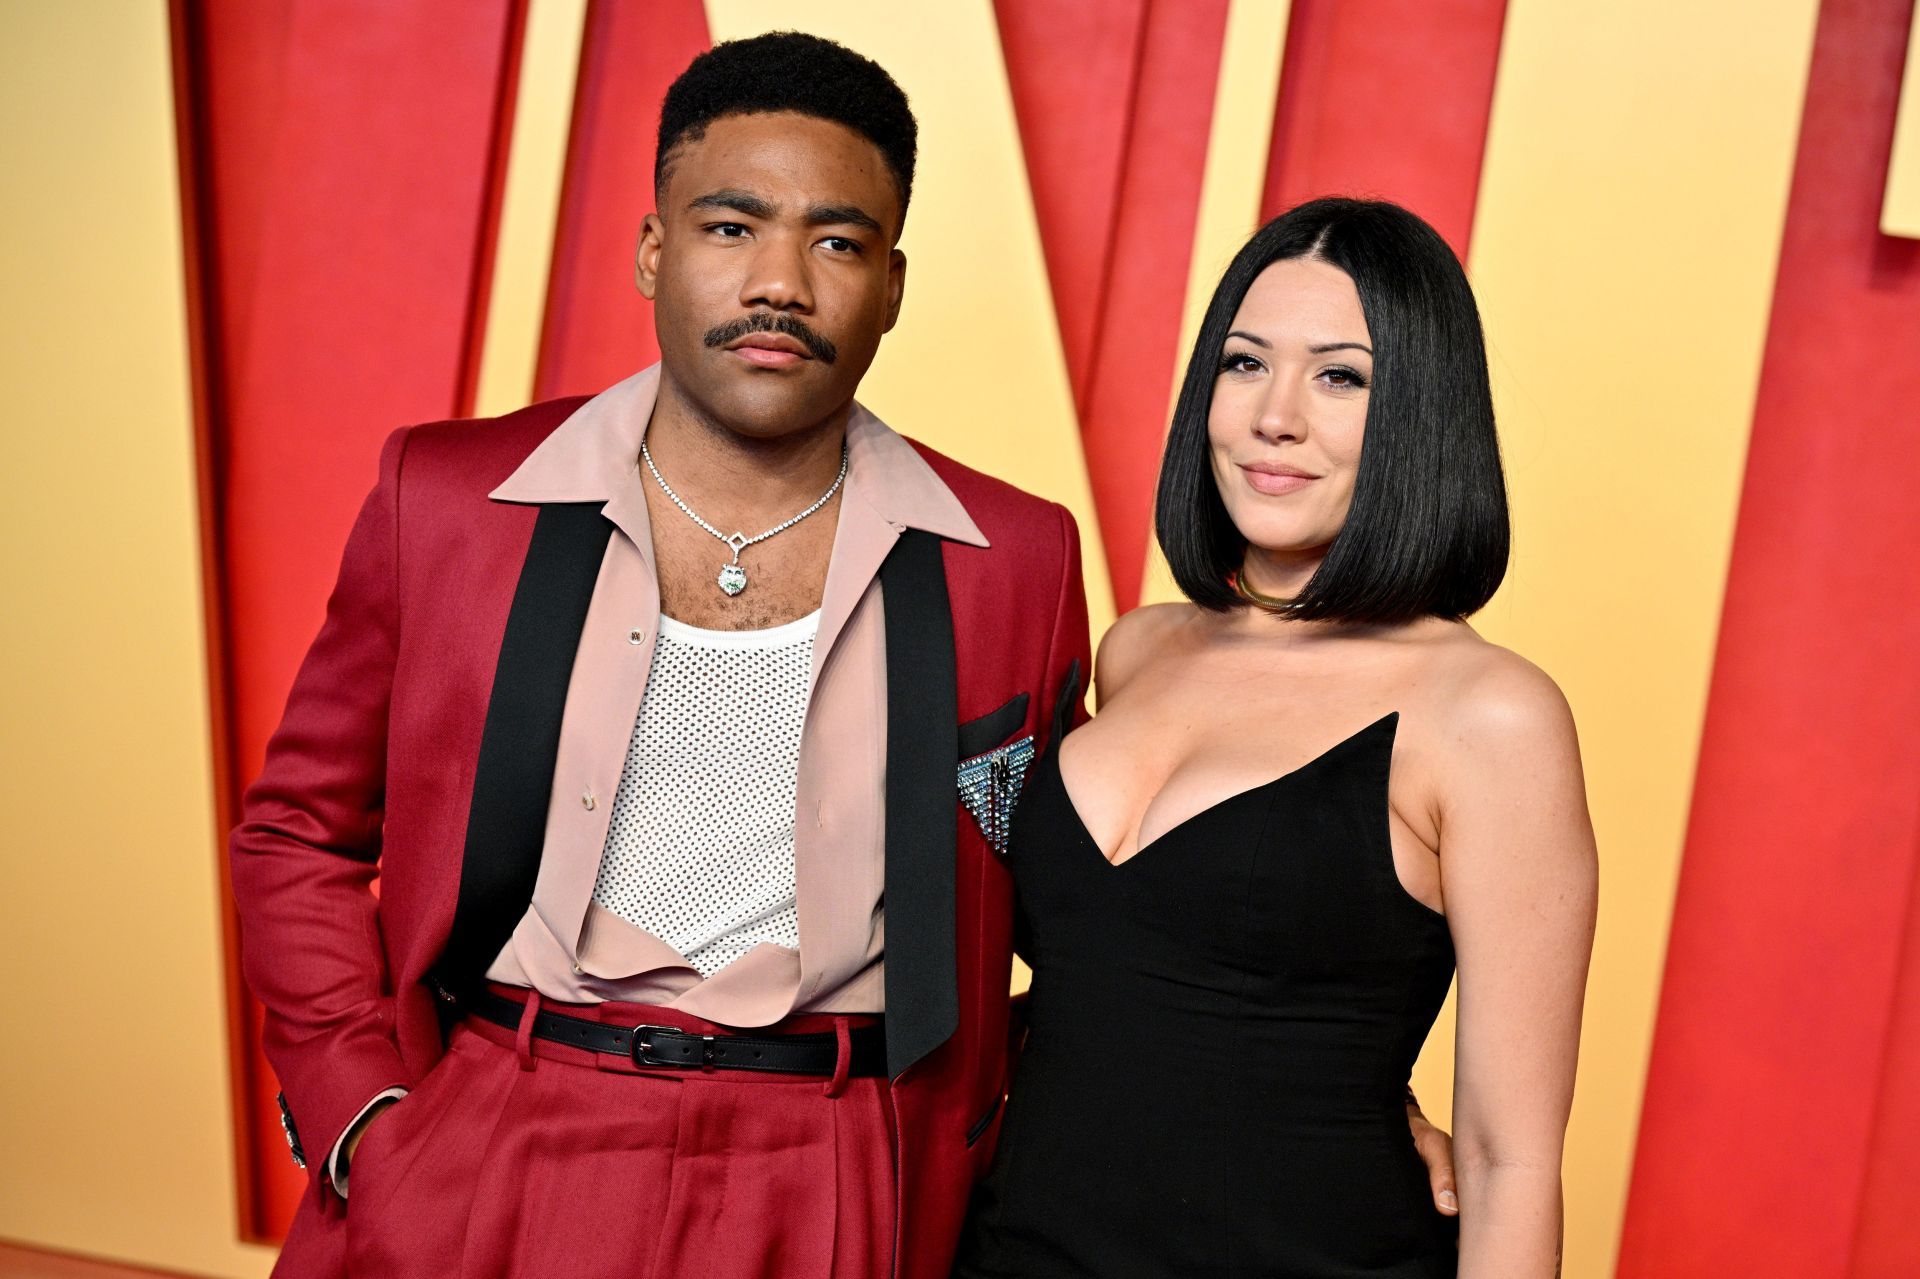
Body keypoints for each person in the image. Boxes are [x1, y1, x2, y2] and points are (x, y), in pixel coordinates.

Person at [232, 30, 1460, 1277]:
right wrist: (363, 1120)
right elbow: (295, 832)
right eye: (729, 228)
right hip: (496, 1130)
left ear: (891, 285)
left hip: (835, 1171)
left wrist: (1334, 1094)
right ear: (652, 251)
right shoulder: (448, 499)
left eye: (835, 241)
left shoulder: (1010, 559)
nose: (780, 282)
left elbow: (1087, 899)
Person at [956, 198, 1598, 1278]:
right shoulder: (1140, 648)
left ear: (1421, 418)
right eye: (1246, 364)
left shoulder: (1487, 714)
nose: (1275, 416)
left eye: (1342, 376)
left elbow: (1506, 1162)